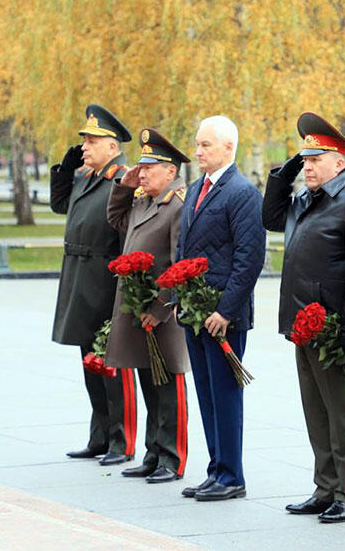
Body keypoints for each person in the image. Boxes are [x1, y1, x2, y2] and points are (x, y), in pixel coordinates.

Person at [262, 112, 345, 524]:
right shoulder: (307, 200)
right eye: (304, 159)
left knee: (343, 414)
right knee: (317, 412)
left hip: (333, 328)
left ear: (339, 163)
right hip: (303, 324)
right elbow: (270, 219)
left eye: (315, 160)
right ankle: (325, 486)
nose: (307, 166)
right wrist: (283, 174)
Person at [177, 115, 266, 502]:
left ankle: (232, 475)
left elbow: (249, 259)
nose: (198, 151)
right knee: (207, 393)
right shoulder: (197, 188)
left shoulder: (242, 192)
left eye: (206, 145)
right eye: (198, 144)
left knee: (225, 395)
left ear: (229, 147)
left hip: (222, 317)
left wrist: (226, 311)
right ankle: (216, 469)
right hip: (195, 313)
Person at [50, 104, 137, 466]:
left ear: (112, 146)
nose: (84, 146)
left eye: (92, 140)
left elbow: (126, 234)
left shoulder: (123, 180)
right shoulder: (87, 177)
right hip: (79, 278)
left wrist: (124, 289)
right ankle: (99, 436)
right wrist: (64, 170)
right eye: (84, 140)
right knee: (89, 361)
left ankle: (122, 441)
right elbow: (59, 205)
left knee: (112, 364)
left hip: (104, 279)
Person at [105, 128, 192, 483]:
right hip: (136, 311)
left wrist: (158, 309)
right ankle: (152, 452)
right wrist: (123, 186)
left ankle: (172, 458)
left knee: (168, 386)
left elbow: (178, 263)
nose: (142, 173)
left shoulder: (177, 206)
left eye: (150, 167)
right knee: (147, 380)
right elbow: (115, 219)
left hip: (161, 313)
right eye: (141, 167)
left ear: (170, 171)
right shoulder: (142, 200)